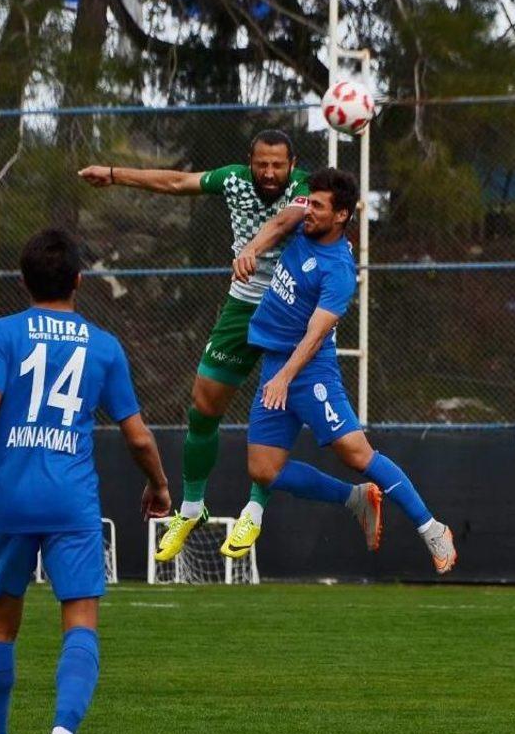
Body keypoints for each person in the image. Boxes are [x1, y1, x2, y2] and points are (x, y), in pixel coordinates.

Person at [0, 229, 172, 734]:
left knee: (1, 624)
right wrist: (160, 483)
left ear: (23, 280)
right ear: (79, 279)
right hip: (71, 502)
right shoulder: (104, 346)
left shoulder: (0, 333)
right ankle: (63, 733)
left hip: (9, 498)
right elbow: (139, 436)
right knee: (80, 621)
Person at [79, 130, 358, 563]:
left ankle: (255, 509)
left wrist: (252, 247)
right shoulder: (232, 180)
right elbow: (175, 183)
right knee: (203, 404)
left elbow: (283, 221)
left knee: (273, 415)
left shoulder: (307, 189)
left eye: (277, 165)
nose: (269, 172)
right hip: (243, 307)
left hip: (293, 312)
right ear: (250, 160)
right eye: (261, 164)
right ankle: (191, 509)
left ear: (292, 164)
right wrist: (115, 174)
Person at [220, 168, 457, 575]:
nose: (307, 210)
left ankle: (432, 529)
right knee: (263, 470)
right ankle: (356, 500)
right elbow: (278, 223)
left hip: (309, 372)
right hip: (277, 362)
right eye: (308, 201)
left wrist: (285, 377)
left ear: (342, 215)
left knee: (357, 453)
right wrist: (251, 250)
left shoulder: (339, 271)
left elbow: (316, 333)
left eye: (317, 206)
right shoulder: (302, 222)